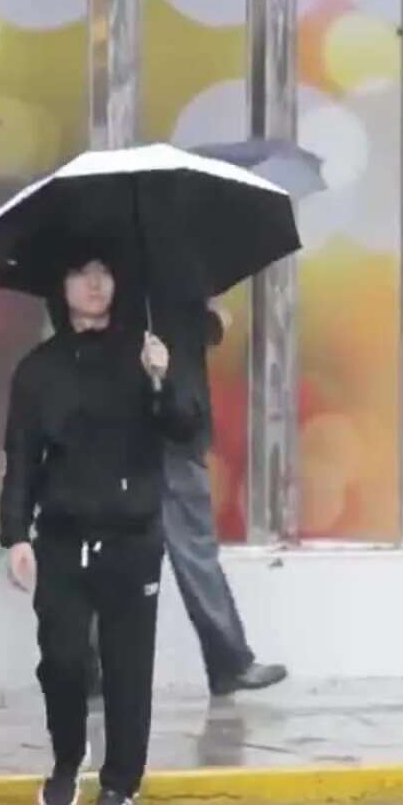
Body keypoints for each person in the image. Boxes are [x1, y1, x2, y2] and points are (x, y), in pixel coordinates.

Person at [0, 244, 205, 805]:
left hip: (132, 533)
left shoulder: (144, 353)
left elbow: (186, 428)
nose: (94, 286)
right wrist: (15, 534)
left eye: (104, 273)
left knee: (127, 666)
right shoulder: (40, 369)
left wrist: (162, 382)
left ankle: (120, 788)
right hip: (63, 536)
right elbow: (21, 455)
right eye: (81, 273)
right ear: (60, 287)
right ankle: (68, 755)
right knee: (61, 659)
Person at [142, 295, 287, 697]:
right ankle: (228, 660)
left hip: (178, 422)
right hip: (144, 425)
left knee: (187, 547)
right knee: (122, 550)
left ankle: (228, 660)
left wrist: (206, 319)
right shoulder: (128, 266)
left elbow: (194, 336)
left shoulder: (174, 266)